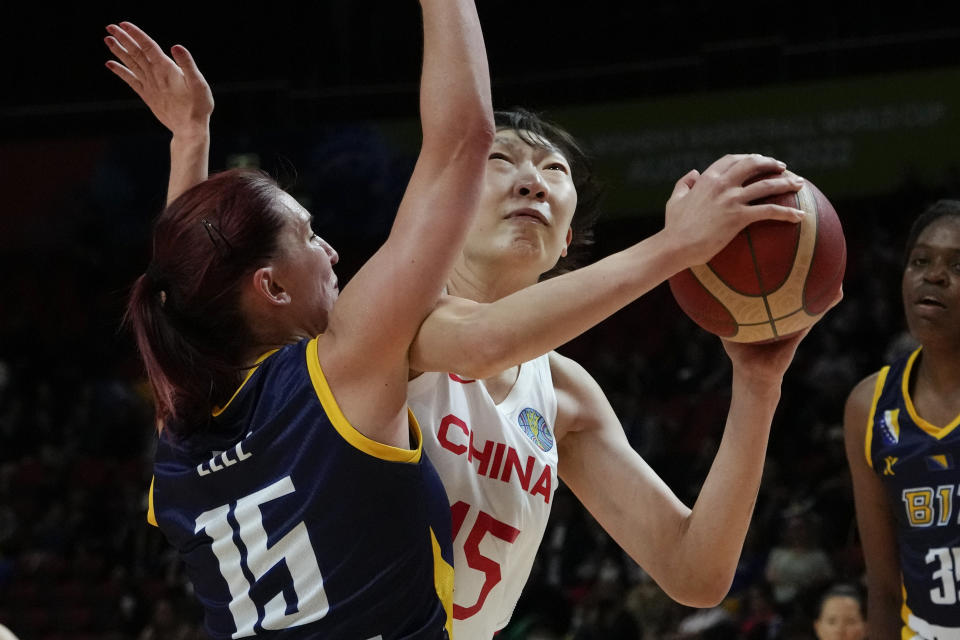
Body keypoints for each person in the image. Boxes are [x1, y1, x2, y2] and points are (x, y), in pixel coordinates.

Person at [108, 25, 837, 639]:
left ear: (566, 243)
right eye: (503, 163)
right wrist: (673, 246)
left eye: (553, 171)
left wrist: (757, 382)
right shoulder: (372, 337)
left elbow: (696, 571)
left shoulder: (566, 394)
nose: (533, 180)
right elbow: (216, 312)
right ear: (440, 218)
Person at [108, 2, 495, 637]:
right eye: (310, 234)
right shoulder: (339, 372)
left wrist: (191, 139)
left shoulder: (179, 429)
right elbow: (461, 145)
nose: (332, 250)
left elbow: (190, 285)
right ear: (273, 287)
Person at [844, 200, 960, 639]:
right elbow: (886, 589)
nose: (934, 275)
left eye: (958, 265)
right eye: (920, 261)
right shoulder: (867, 406)